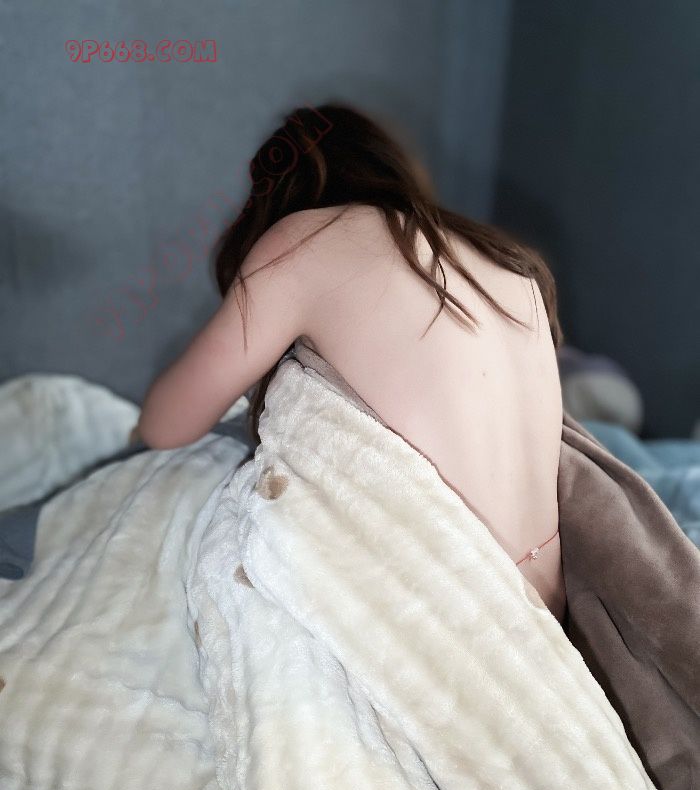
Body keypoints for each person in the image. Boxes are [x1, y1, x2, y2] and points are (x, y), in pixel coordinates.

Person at [132, 100, 568, 625]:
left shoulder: (304, 239)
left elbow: (164, 426)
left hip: (452, 615)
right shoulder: (511, 265)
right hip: (551, 613)